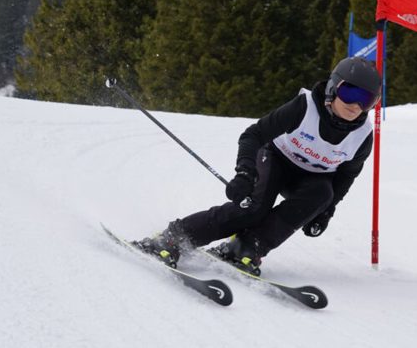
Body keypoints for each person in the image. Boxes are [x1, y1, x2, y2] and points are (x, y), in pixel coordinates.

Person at [132, 56, 382, 275]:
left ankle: (246, 246)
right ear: (332, 87)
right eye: (350, 93)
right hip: (276, 159)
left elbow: (346, 176)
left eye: (367, 100)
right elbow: (253, 135)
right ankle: (174, 238)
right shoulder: (305, 107)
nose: (356, 106)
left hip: (309, 180)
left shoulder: (363, 136)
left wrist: (326, 212)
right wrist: (244, 173)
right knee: (253, 209)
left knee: (323, 194)